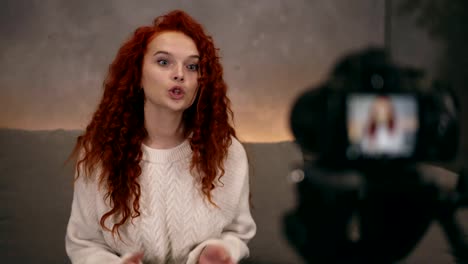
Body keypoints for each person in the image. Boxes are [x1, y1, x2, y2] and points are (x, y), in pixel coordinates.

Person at [65, 10, 256, 264]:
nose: (180, 74)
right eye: (164, 62)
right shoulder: (100, 151)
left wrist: (221, 251)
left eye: (192, 66)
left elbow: (237, 233)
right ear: (138, 76)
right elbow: (84, 243)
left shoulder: (226, 152)